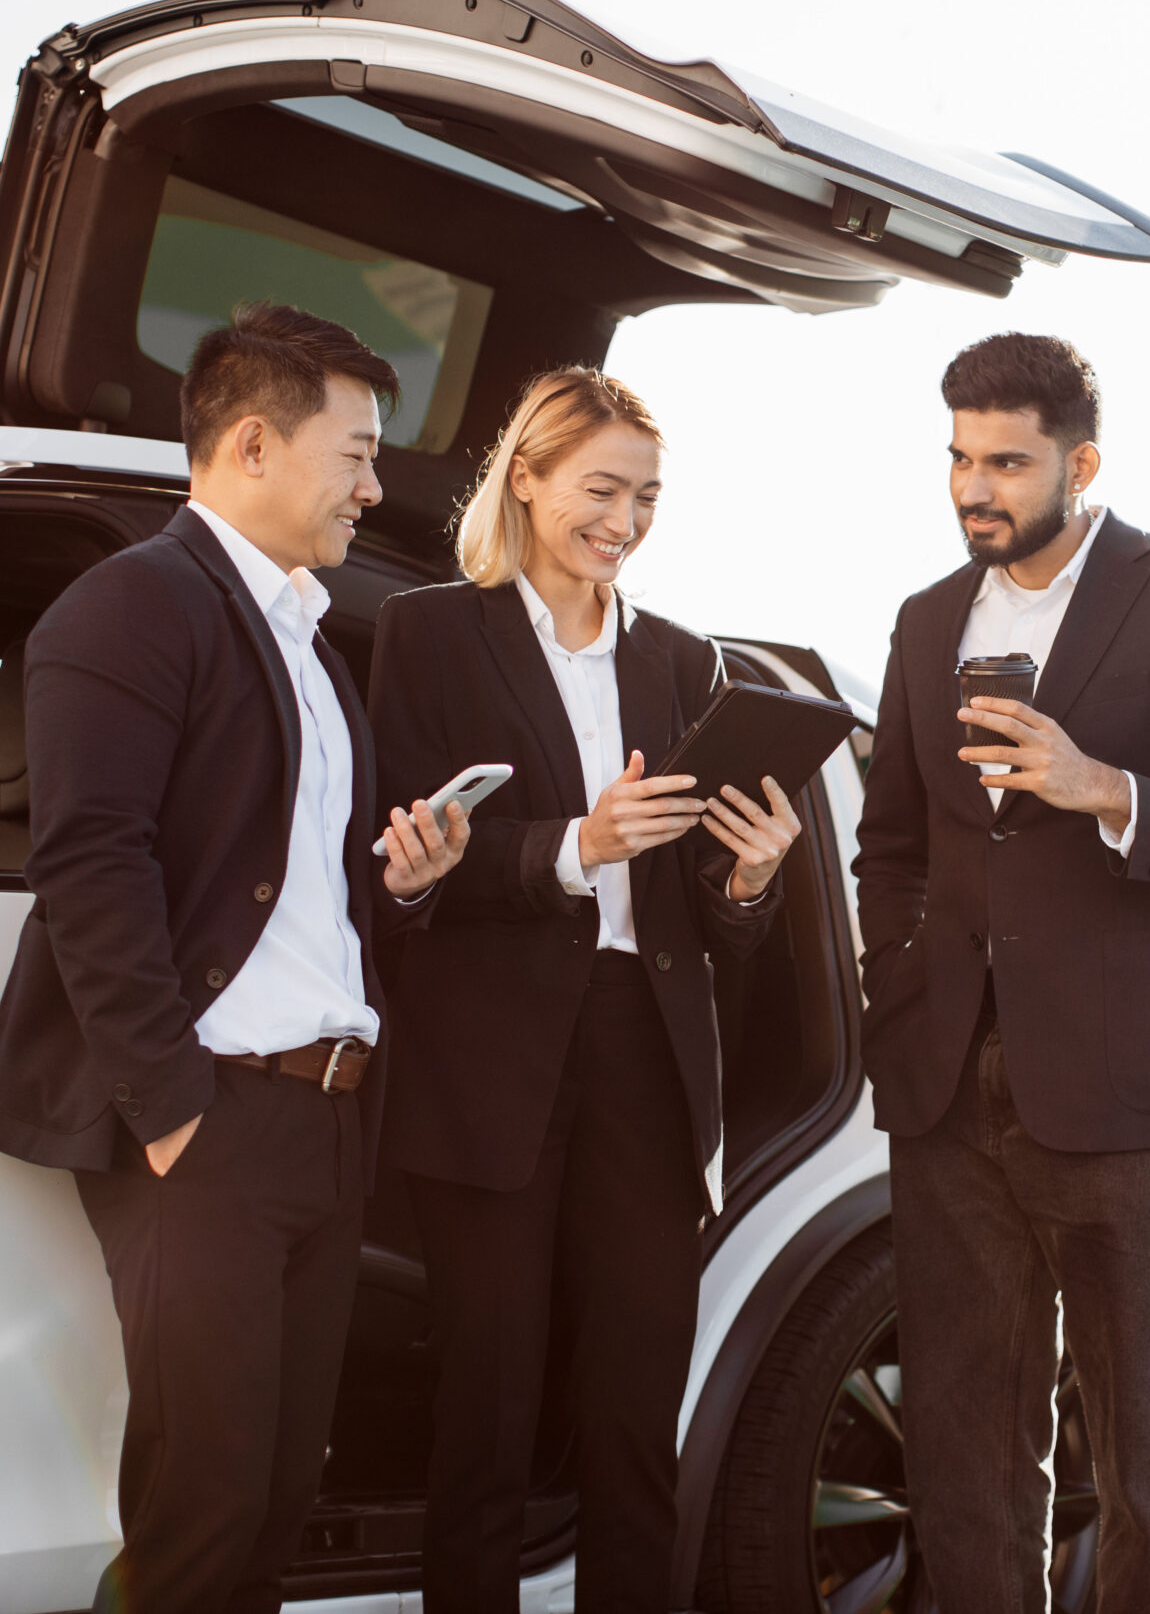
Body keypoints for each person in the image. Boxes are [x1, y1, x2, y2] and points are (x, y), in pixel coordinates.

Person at [0, 301, 472, 1614]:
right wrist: (174, 1109)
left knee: (274, 1503)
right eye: (355, 453)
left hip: (321, 1122)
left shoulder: (306, 640)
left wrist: (400, 884)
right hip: (215, 1122)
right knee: (203, 1508)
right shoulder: (133, 603)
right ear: (252, 443)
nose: (374, 485)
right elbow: (92, 864)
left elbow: (294, 896)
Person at [852, 332, 1150, 1611]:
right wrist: (903, 994)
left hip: (1124, 1104)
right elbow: (892, 848)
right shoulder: (927, 620)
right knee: (967, 1463)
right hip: (948, 1099)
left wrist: (1101, 788)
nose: (971, 488)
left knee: (1145, 1466)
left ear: (1080, 463)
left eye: (1005, 460)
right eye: (956, 457)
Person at [366, 368, 805, 1613]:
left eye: (647, 497)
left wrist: (749, 880)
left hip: (645, 1061)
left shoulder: (682, 661)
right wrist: (577, 846)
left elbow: (717, 924)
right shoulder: (429, 633)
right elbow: (404, 871)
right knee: (485, 1420)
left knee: (633, 1418)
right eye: (600, 489)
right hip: (487, 1060)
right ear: (527, 477)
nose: (624, 520)